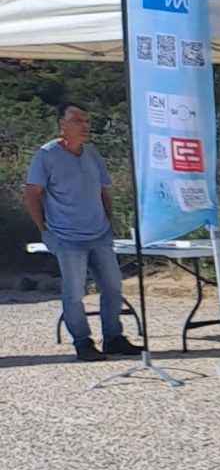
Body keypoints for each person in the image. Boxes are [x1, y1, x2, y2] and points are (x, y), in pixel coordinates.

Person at [22, 103, 139, 362]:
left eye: (86, 120)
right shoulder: (46, 155)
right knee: (75, 292)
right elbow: (32, 194)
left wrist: (109, 221)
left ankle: (113, 337)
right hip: (66, 236)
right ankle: (82, 341)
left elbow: (103, 191)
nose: (84, 126)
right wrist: (44, 230)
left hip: (99, 233)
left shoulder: (92, 154)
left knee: (113, 287)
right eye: (77, 120)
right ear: (62, 124)